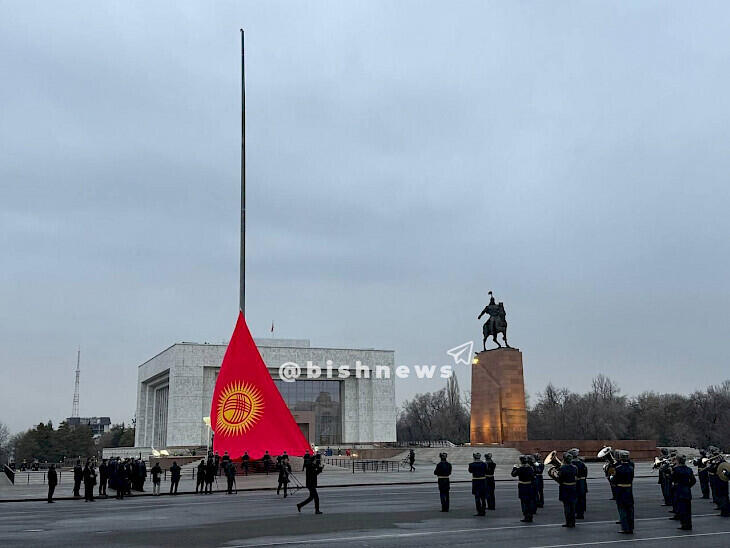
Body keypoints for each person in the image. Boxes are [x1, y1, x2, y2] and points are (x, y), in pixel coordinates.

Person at [611, 450, 635, 534]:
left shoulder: (617, 468)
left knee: (622, 509)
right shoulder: (631, 467)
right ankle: (631, 527)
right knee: (630, 509)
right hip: (628, 489)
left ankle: (625, 528)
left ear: (620, 458)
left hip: (620, 490)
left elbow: (613, 479)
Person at [671, 455, 696, 530]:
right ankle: (689, 524)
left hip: (679, 490)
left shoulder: (676, 469)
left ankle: (684, 524)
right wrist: (688, 486)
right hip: (687, 491)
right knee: (688, 509)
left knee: (682, 509)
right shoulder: (689, 469)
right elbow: (693, 481)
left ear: (678, 461)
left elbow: (672, 479)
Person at [511, 455, 535, 522]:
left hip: (522, 486)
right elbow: (533, 477)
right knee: (529, 501)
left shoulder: (520, 468)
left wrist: (514, 468)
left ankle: (526, 516)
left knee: (524, 502)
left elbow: (513, 474)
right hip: (529, 486)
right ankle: (530, 516)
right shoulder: (530, 468)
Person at [556, 453, 578, 528]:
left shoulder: (562, 468)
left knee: (567, 506)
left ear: (564, 459)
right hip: (573, 487)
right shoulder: (575, 467)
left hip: (565, 488)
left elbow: (560, 479)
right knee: (573, 506)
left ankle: (568, 522)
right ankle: (573, 522)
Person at [569, 448, 588, 519]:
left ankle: (576, 512)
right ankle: (581, 512)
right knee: (582, 498)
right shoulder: (582, 464)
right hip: (582, 482)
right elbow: (585, 474)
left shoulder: (572, 464)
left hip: (575, 483)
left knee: (575, 498)